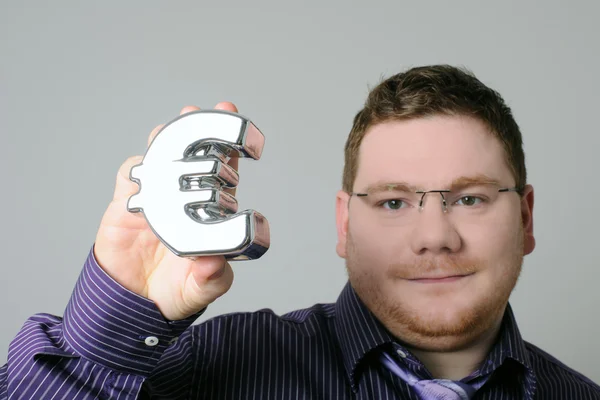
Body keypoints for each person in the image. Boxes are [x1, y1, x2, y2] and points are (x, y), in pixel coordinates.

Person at [1, 65, 598, 400]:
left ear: (524, 219)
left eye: (469, 198)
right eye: (393, 202)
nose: (434, 237)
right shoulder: (216, 370)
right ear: (344, 224)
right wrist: (114, 317)